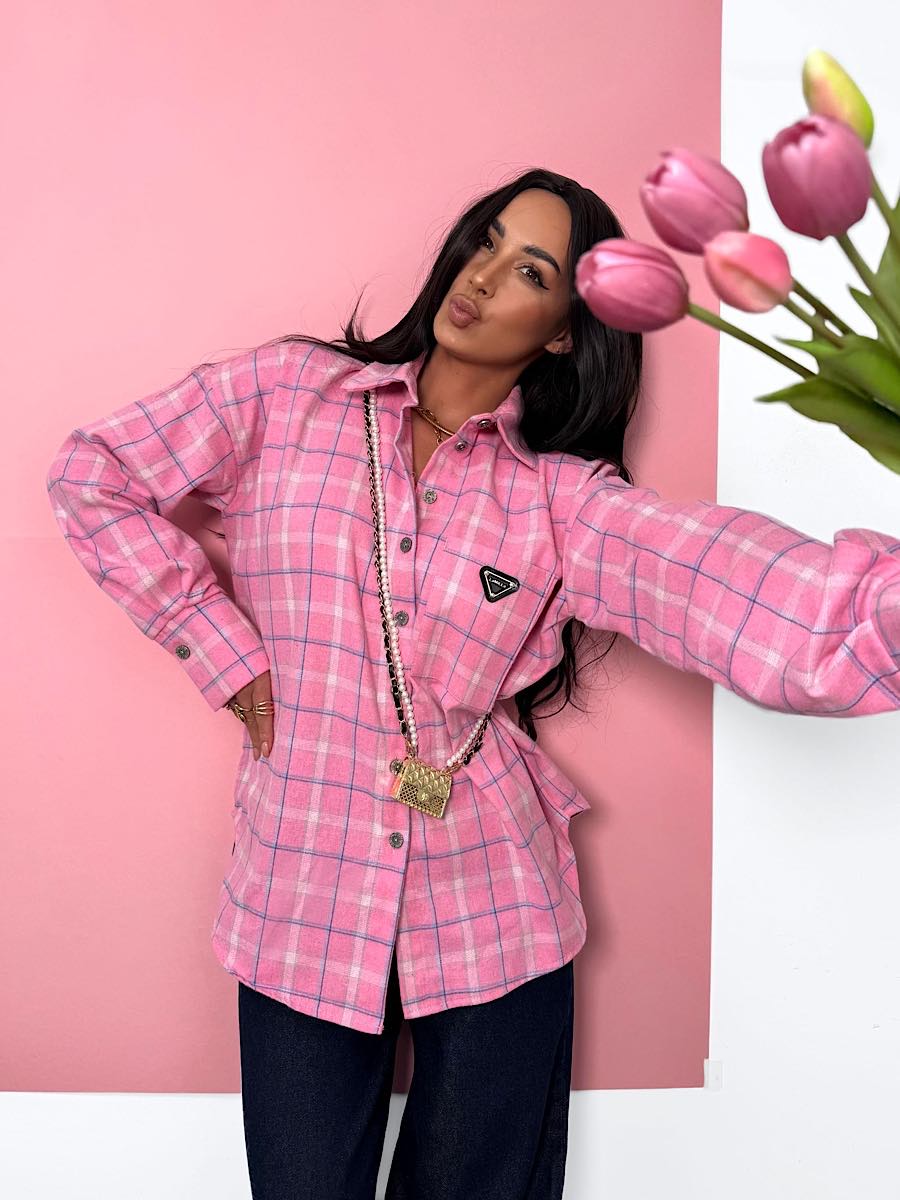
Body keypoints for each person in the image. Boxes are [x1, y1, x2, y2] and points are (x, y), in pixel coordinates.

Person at [46, 167, 900, 1200]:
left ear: (564, 332)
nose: (484, 277)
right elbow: (94, 475)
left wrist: (877, 609)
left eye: (530, 271)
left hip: (495, 908)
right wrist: (221, 651)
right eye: (486, 241)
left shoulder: (560, 501)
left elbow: (722, 580)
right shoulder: (284, 395)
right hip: (298, 895)